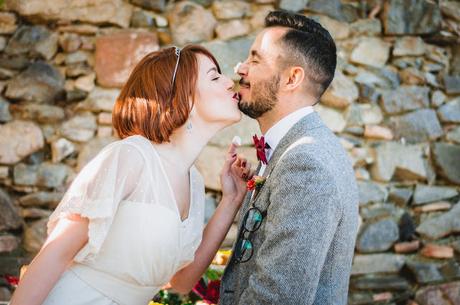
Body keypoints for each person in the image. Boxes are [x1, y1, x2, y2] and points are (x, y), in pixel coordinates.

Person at [9, 45, 253, 305]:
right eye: (215, 77)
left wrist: (231, 201)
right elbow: (55, 253)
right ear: (181, 97)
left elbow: (181, 281)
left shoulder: (194, 182)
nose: (230, 82)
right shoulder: (130, 157)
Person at [220, 10, 360, 305]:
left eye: (255, 59)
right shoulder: (294, 148)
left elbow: (276, 297)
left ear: (292, 78)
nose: (240, 68)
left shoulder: (306, 163)